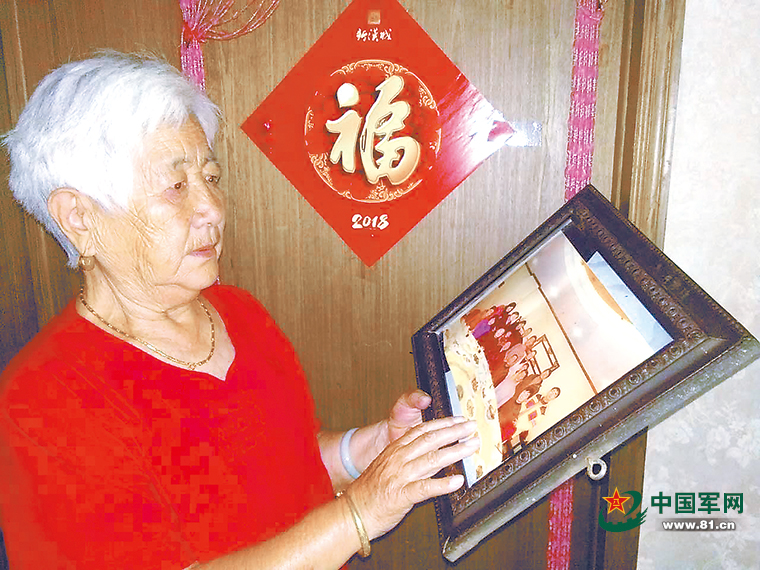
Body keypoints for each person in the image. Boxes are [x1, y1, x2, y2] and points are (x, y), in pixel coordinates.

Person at [0, 52, 480, 570]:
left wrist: (372, 448)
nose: (212, 208)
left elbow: (288, 467)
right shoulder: (43, 402)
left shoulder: (237, 312)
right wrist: (359, 516)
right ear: (79, 218)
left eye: (210, 177)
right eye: (176, 187)